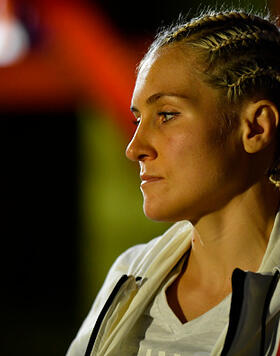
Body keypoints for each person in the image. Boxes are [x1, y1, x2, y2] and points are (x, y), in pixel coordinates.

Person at [67, 8, 280, 356]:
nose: (134, 148)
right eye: (138, 119)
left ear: (255, 127)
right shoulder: (127, 278)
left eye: (166, 115)